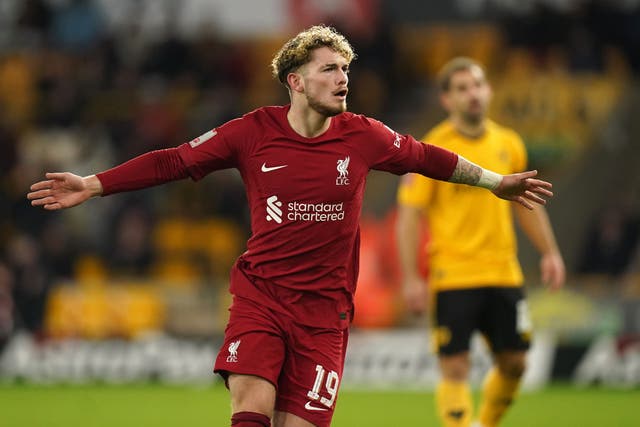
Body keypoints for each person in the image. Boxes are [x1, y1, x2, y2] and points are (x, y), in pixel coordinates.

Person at [28, 27, 554, 427]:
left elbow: (428, 157)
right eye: (329, 69)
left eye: (345, 69)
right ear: (296, 81)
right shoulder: (250, 132)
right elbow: (174, 161)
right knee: (252, 406)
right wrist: (94, 184)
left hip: (326, 316)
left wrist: (494, 182)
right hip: (262, 297)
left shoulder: (364, 135)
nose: (343, 77)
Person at [396, 57, 565, 427]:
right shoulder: (432, 150)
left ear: (488, 90)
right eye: (462, 88)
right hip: (453, 274)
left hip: (504, 272)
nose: (472, 94)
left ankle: (485, 424)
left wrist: (550, 252)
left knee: (516, 363)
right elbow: (409, 215)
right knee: (455, 366)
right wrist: (411, 277)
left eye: (477, 85)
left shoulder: (509, 144)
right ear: (446, 100)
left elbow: (528, 206)